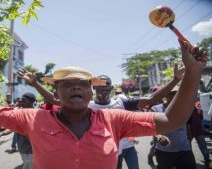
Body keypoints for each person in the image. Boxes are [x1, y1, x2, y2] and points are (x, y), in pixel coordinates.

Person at [0, 40, 206, 169]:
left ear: (91, 90)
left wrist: (193, 72)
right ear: (56, 91)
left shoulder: (114, 119)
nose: (75, 87)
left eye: (82, 83)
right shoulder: (34, 118)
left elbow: (171, 121)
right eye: (67, 83)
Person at [18, 64, 183, 169]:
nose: (104, 89)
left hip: (128, 148)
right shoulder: (85, 106)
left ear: (111, 88)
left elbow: (152, 100)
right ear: (93, 90)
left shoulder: (123, 102)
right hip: (110, 154)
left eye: (107, 85)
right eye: (101, 86)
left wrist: (176, 80)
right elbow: (56, 100)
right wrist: (35, 84)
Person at [151, 87, 197, 169]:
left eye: (176, 94)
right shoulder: (156, 109)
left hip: (184, 150)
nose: (174, 96)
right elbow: (151, 128)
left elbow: (188, 128)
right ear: (166, 96)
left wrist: (189, 147)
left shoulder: (185, 108)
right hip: (164, 152)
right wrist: (159, 136)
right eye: (171, 94)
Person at [0, 93, 35, 169]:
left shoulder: (36, 114)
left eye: (24, 100)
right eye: (20, 100)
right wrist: (1, 134)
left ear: (30, 102)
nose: (21, 102)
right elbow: (12, 127)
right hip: (22, 148)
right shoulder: (19, 113)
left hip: (32, 150)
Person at [187, 100, 212, 168]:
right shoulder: (186, 107)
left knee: (203, 146)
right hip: (189, 130)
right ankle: (191, 162)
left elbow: (201, 118)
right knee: (188, 148)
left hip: (198, 130)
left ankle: (207, 161)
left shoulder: (198, 106)